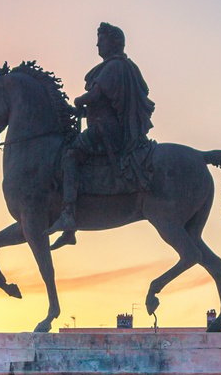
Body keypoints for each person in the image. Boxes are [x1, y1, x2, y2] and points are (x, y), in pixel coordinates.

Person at [52, 23, 155, 248]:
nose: (97, 44)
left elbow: (96, 94)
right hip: (106, 126)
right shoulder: (120, 66)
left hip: (106, 130)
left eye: (101, 39)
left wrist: (80, 101)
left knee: (70, 155)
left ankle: (68, 214)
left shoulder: (115, 66)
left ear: (113, 42)